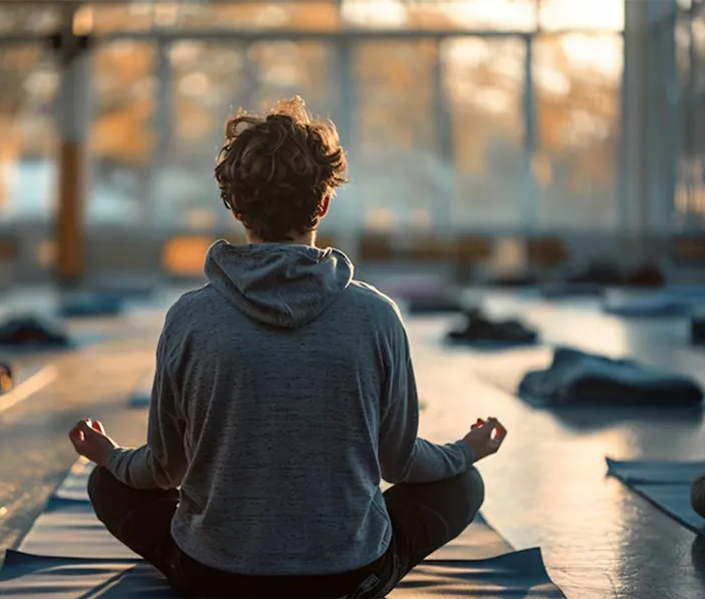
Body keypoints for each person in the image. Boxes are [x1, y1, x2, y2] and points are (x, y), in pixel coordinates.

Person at [69, 97, 508, 598]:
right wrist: (467, 450)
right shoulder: (377, 316)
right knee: (465, 483)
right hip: (347, 580)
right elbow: (400, 462)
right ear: (323, 205)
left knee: (105, 483)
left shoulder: (189, 318)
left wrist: (109, 456)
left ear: (236, 207)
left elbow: (165, 470)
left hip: (215, 582)